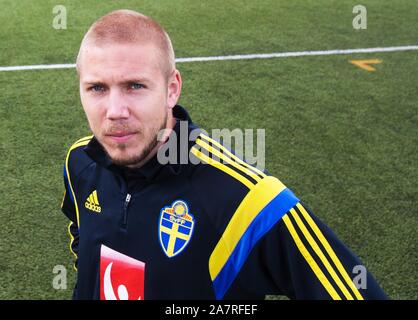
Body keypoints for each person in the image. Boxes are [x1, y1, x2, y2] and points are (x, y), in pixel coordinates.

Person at [61, 9, 387, 300]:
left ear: (172, 89)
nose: (115, 111)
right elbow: (82, 235)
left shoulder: (248, 199)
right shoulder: (80, 161)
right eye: (97, 88)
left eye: (135, 86)